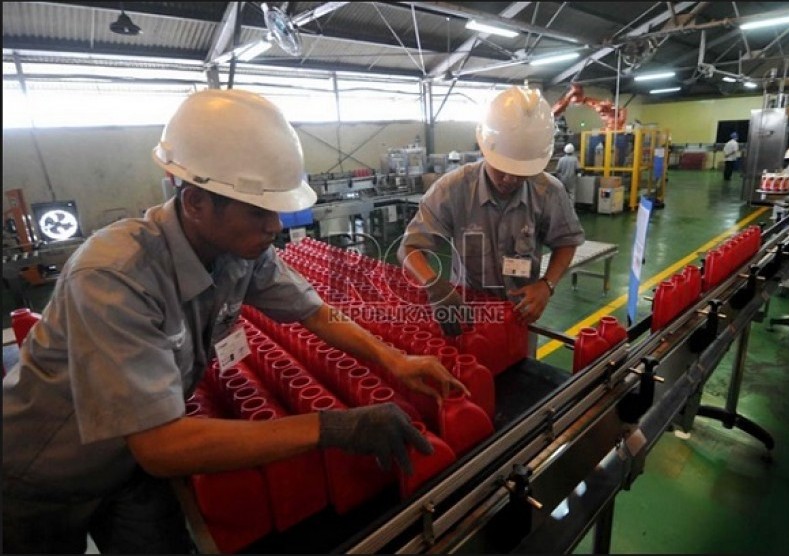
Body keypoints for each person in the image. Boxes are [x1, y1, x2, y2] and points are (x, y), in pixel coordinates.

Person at [2, 89, 466, 554]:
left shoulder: (239, 251)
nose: (275, 226)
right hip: (43, 472)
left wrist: (396, 359)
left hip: (127, 470)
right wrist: (335, 427)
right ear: (195, 202)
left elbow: (312, 310)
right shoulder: (113, 277)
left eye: (276, 210)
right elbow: (160, 445)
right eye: (257, 211)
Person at [397, 85, 585, 340]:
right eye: (502, 168)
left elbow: (567, 241)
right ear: (486, 149)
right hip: (467, 315)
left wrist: (546, 285)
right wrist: (433, 284)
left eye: (520, 174)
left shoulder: (548, 192)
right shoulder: (453, 189)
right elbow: (409, 248)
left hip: (520, 317)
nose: (509, 179)